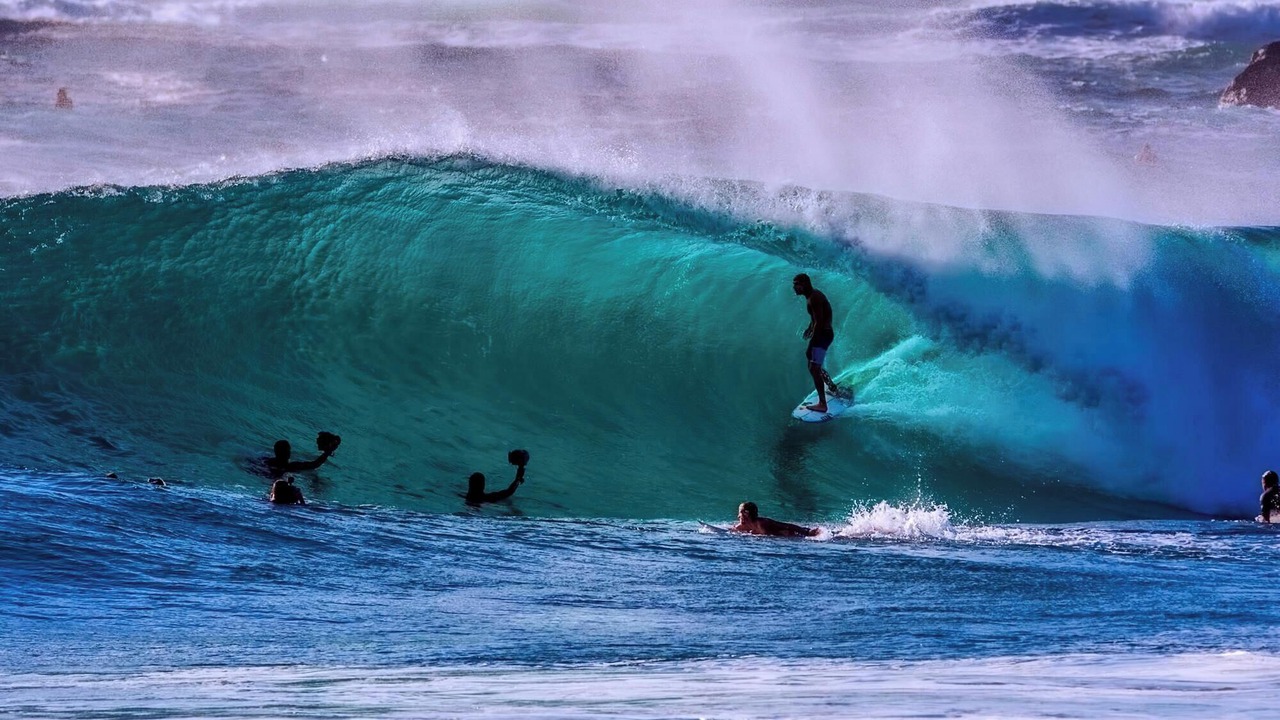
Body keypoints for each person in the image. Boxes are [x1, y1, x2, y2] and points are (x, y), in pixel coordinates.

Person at [792, 273, 843, 413]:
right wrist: (809, 329)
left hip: (823, 335)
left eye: (796, 284)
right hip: (823, 334)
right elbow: (815, 319)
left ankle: (822, 404)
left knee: (814, 367)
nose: (794, 287)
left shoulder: (814, 297)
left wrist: (811, 345)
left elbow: (819, 323)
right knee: (813, 366)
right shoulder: (811, 296)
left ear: (804, 284)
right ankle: (831, 387)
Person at [465, 449, 529, 506]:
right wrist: (518, 478)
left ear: (469, 484)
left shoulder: (465, 497)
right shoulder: (487, 498)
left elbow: (509, 491)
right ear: (483, 485)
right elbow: (509, 491)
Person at [263, 432, 340, 478]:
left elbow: (314, 464)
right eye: (288, 450)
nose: (289, 453)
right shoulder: (291, 466)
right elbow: (314, 464)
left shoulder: (268, 461)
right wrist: (327, 453)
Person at [731, 501, 820, 537]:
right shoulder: (740, 527)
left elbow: (787, 526)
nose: (738, 516)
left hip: (791, 535)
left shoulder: (763, 523)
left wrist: (807, 532)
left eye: (740, 512)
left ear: (747, 514)